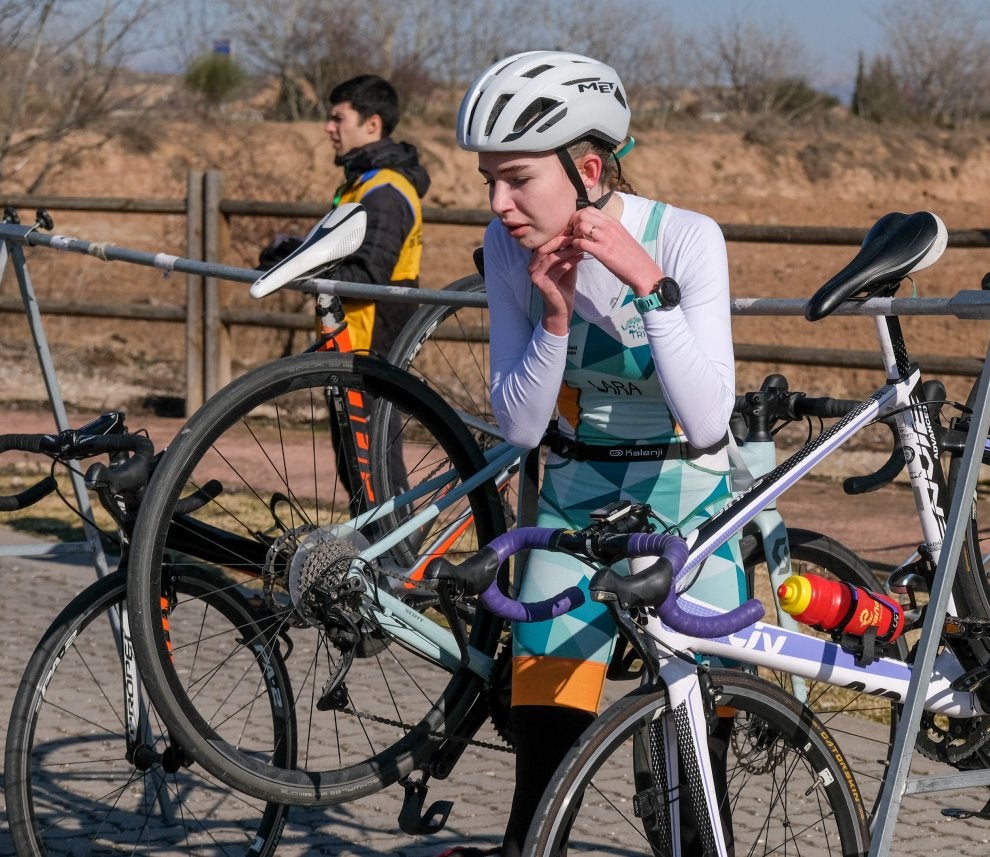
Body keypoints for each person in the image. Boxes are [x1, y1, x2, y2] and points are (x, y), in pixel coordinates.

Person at [455, 50, 745, 857]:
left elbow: (706, 421)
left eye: (517, 178)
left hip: (694, 509)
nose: (498, 203)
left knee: (694, 789)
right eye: (488, 180)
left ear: (588, 167)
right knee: (539, 776)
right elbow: (517, 425)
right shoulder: (508, 247)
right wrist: (552, 316)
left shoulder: (686, 237)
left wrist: (650, 288)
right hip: (574, 506)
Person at [258, 73, 430, 357]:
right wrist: (295, 252)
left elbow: (366, 279)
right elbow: (349, 254)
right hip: (350, 342)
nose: (328, 128)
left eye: (339, 118)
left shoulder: (385, 192)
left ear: (373, 124)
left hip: (369, 353)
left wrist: (296, 268)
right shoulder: (365, 182)